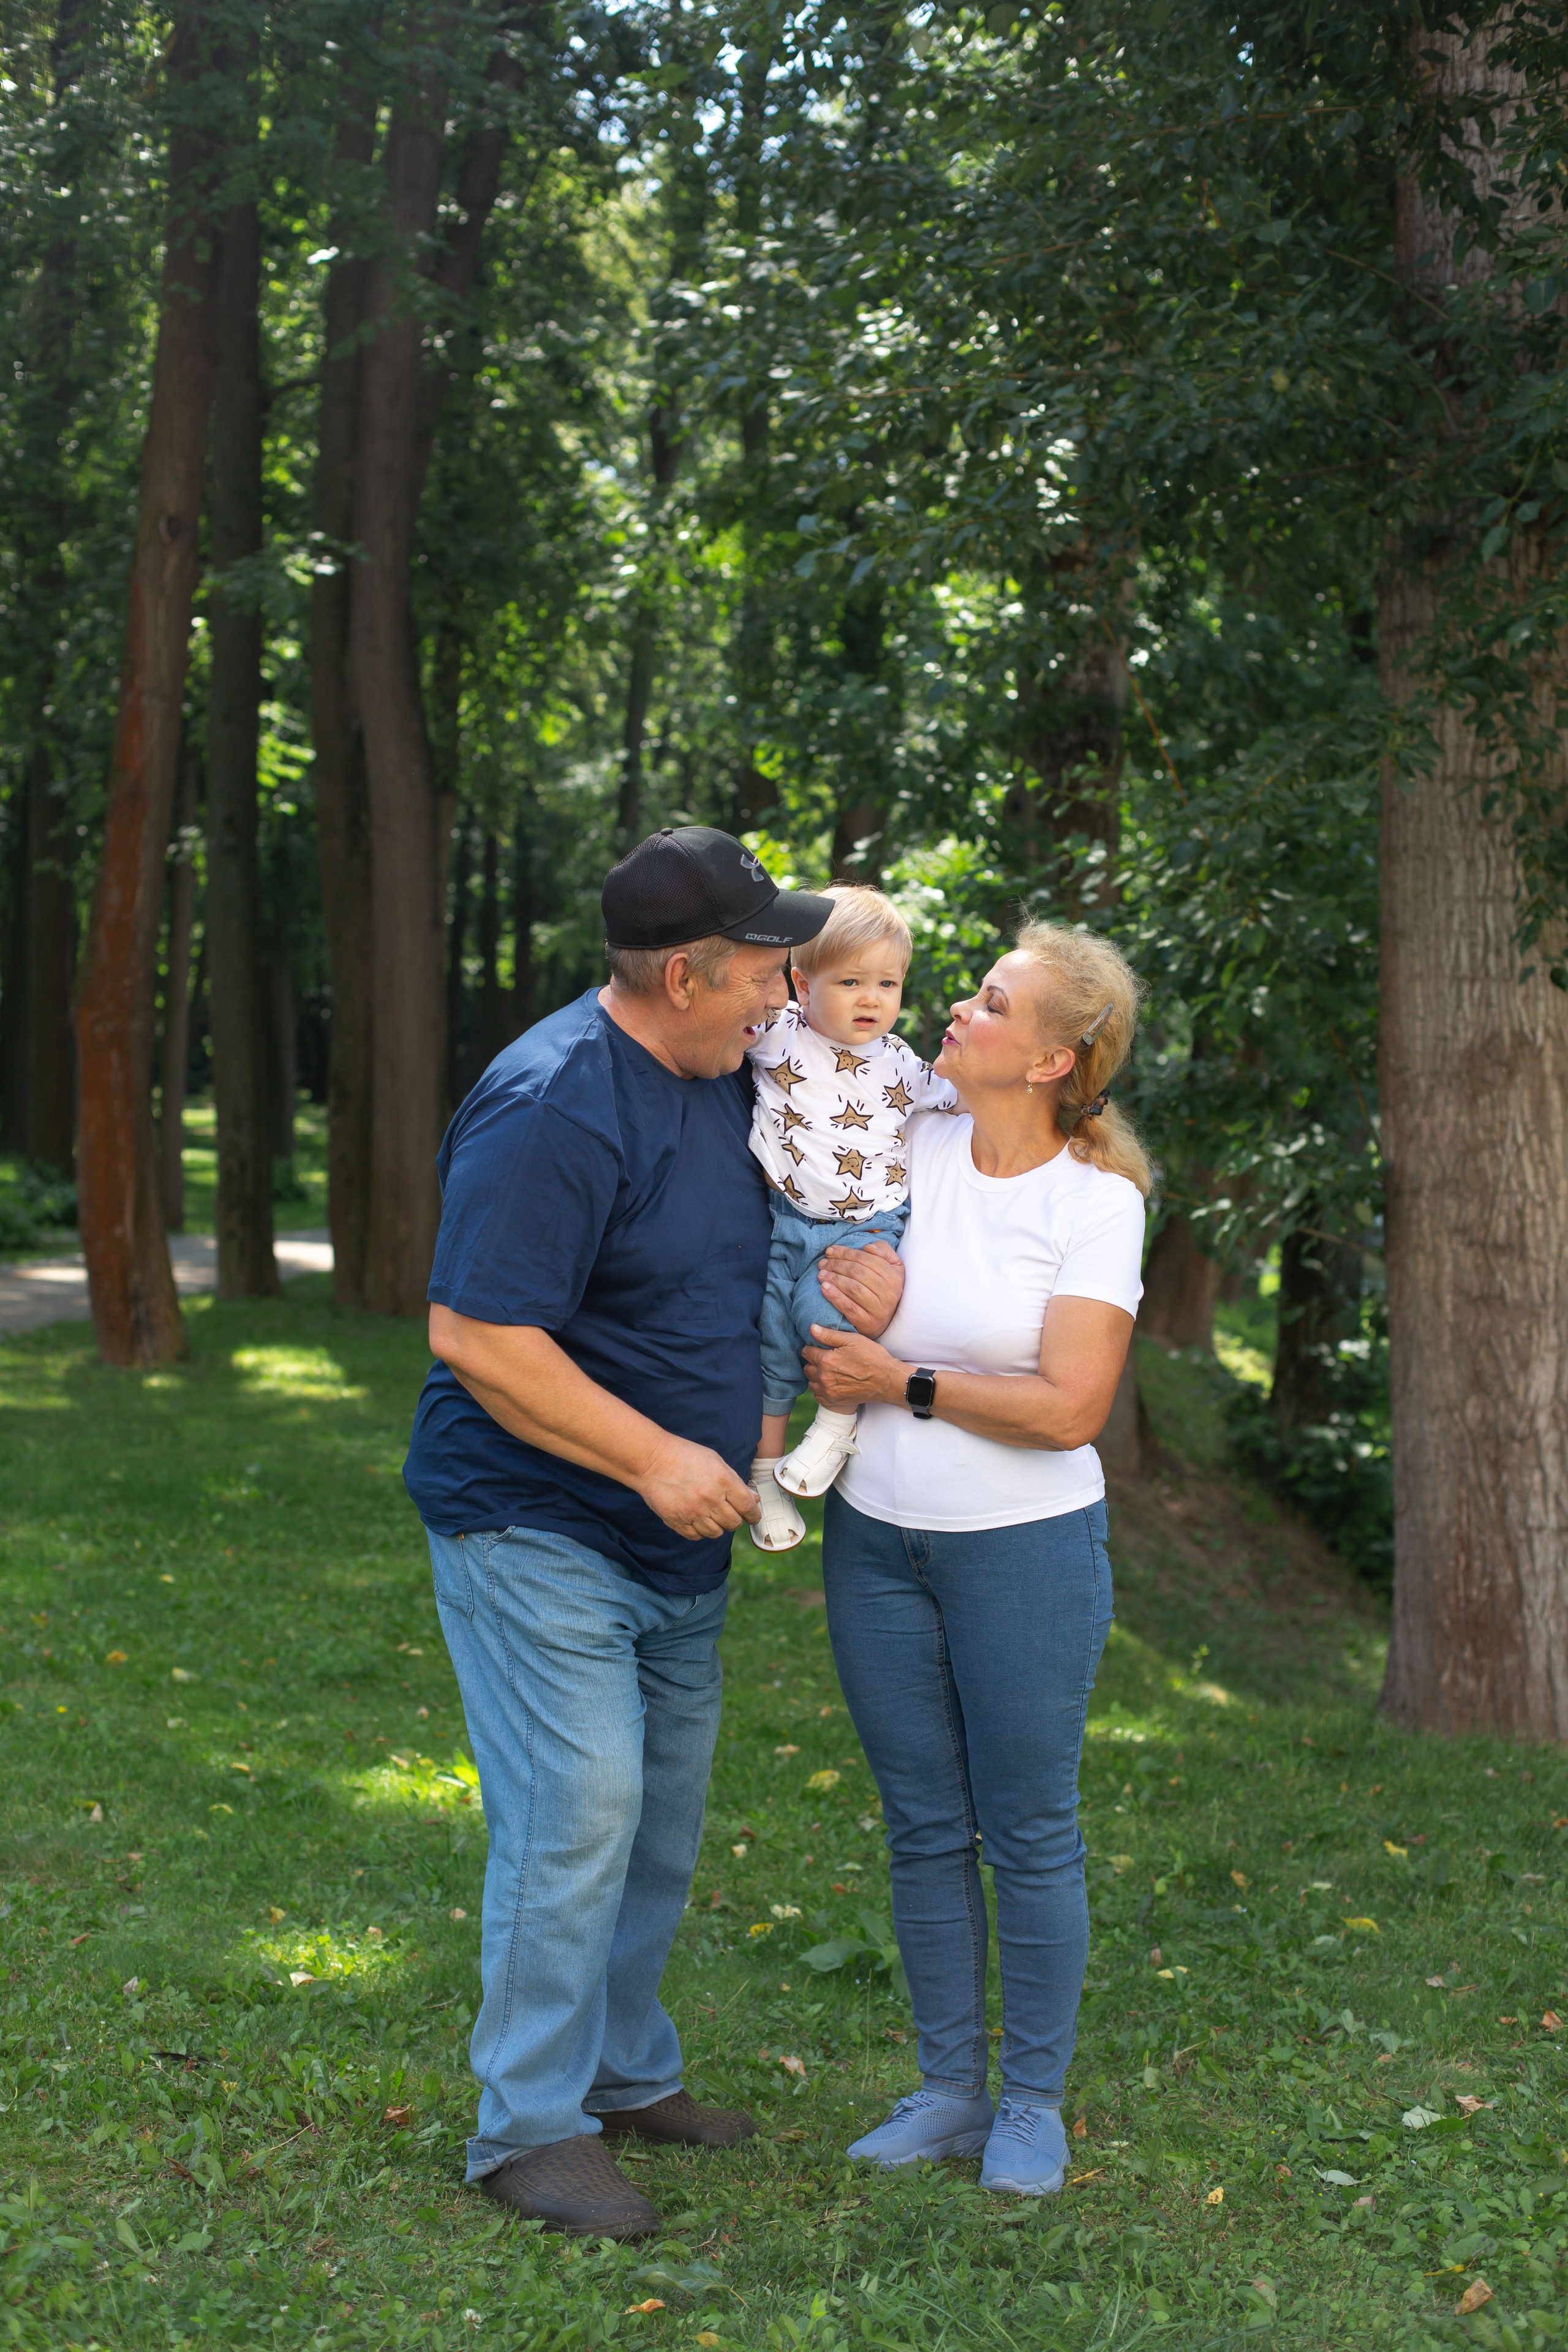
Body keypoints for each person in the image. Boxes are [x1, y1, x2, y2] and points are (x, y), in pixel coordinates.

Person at [402, 827, 861, 2241]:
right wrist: (657, 1452)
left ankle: (619, 2072)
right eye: (767, 970)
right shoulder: (553, 1103)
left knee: (654, 1821)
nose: (784, 995)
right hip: (536, 1520)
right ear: (684, 971)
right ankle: (526, 2130)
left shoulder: (730, 1083)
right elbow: (476, 1331)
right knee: (578, 1805)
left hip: (675, 1542)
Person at [799, 919, 1152, 2198]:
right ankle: (949, 2090)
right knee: (920, 1827)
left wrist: (900, 1379)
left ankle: (1032, 2107)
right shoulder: (909, 1141)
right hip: (876, 1541)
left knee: (1029, 1832)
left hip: (1025, 1552)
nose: (959, 1011)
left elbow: (1067, 1406)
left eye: (993, 1006)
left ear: (1055, 1060)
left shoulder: (1091, 1204)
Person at [744, 885, 956, 1553]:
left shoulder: (899, 1062)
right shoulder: (778, 1038)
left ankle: (834, 1431)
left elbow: (960, 1099)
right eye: (851, 981)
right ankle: (762, 1475)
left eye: (887, 983)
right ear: (801, 984)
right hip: (786, 1219)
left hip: (868, 1223)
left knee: (827, 1316)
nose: (872, 999)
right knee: (772, 1337)